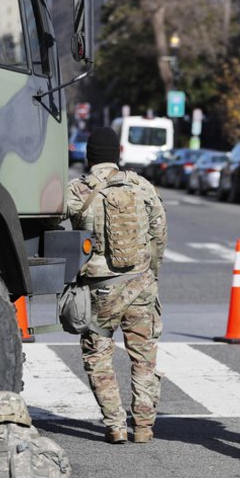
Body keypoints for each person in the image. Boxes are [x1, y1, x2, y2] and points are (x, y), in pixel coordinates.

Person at [65, 127, 167, 444]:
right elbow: (159, 234)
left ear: (88, 156)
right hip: (141, 284)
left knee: (97, 356)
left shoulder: (78, 190)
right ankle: (145, 426)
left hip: (100, 288)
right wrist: (152, 271)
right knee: (144, 358)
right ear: (118, 154)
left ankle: (115, 425)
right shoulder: (142, 187)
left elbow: (53, 226)